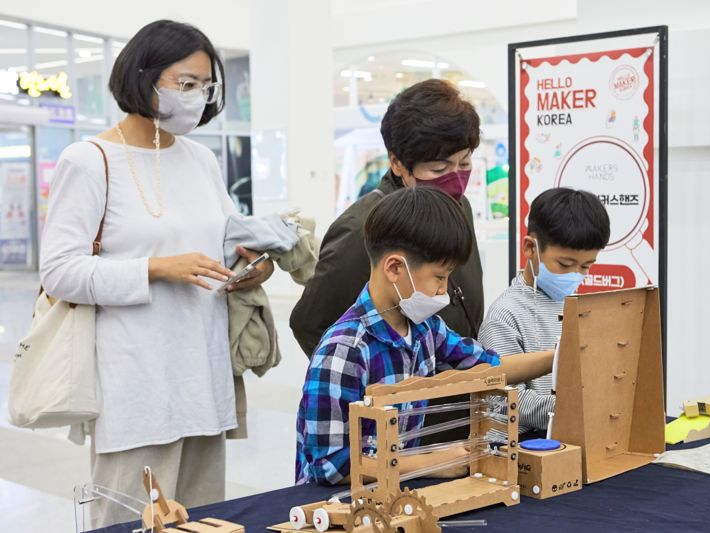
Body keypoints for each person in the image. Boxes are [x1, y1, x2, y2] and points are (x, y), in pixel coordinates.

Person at [39, 20, 274, 527]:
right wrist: (156, 269)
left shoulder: (202, 160)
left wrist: (251, 266)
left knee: (205, 519)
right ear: (142, 77)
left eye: (205, 86)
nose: (197, 96)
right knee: (129, 519)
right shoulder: (90, 161)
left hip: (204, 379)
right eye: (185, 84)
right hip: (135, 387)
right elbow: (58, 271)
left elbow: (224, 244)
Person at [295, 187, 553, 485]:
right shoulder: (345, 351)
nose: (444, 291)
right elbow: (330, 465)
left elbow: (490, 367)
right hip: (335, 506)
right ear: (394, 267)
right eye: (439, 277)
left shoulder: (425, 329)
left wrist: (559, 357)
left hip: (394, 490)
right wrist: (433, 461)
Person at [290, 79, 484, 359]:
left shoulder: (459, 206)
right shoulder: (363, 227)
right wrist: (375, 378)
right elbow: (309, 323)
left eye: (464, 163)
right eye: (439, 168)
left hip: (459, 385)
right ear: (397, 163)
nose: (455, 179)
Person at [478, 188, 610, 434]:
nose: (575, 275)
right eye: (565, 264)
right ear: (530, 248)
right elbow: (502, 399)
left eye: (585, 266)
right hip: (520, 450)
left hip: (568, 435)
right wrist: (575, 409)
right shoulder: (504, 316)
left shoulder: (575, 305)